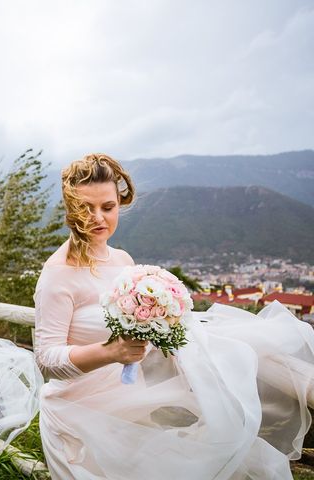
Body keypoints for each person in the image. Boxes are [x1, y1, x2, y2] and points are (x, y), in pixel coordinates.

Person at [33, 153, 314, 479]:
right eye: (85, 208)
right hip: (78, 420)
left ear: (119, 204)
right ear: (70, 208)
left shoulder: (123, 260)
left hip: (131, 406)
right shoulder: (57, 273)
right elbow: (46, 358)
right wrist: (110, 352)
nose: (98, 217)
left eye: (107, 207)